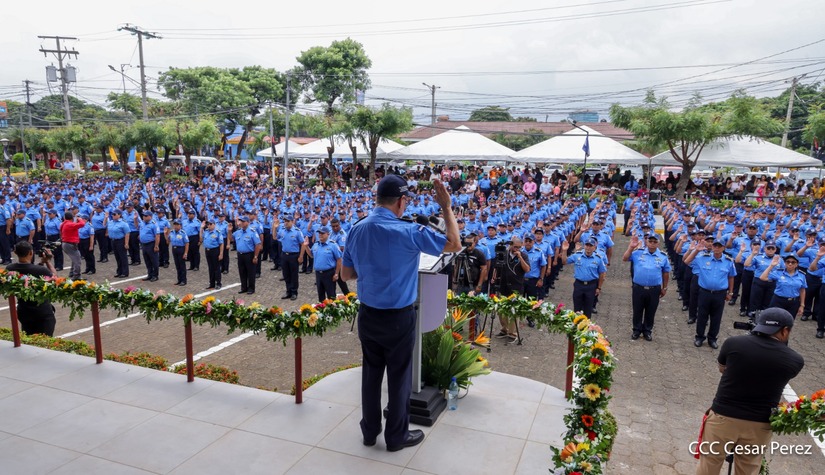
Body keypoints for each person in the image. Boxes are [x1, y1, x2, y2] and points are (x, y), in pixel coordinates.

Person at [341, 175, 460, 452]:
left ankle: (369, 433)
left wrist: (373, 269)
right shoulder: (408, 231)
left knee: (371, 375)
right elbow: (454, 244)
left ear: (377, 199)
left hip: (368, 315)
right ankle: (396, 437)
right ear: (401, 202)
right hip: (398, 318)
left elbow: (346, 274)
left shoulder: (356, 229)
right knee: (399, 377)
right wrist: (446, 206)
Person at [694, 308, 804, 475]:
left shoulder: (733, 343)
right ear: (785, 330)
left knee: (708, 466)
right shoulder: (795, 360)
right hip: (759, 425)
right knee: (748, 469)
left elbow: (723, 368)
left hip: (723, 418)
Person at [683, 238, 736, 349]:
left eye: (719, 246)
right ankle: (699, 337)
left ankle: (712, 338)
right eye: (714, 246)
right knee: (702, 316)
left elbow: (731, 277)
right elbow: (686, 261)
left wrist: (730, 292)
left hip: (720, 294)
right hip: (704, 293)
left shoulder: (728, 261)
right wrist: (696, 250)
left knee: (716, 317)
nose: (716, 248)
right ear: (711, 247)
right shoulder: (702, 258)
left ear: (723, 248)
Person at [623, 233, 671, 341]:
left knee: (651, 311)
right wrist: (630, 247)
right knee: (637, 310)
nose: (652, 244)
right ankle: (636, 330)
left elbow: (666, 273)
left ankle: (647, 331)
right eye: (650, 241)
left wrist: (665, 287)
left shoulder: (662, 256)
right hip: (638, 288)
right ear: (646, 242)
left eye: (655, 242)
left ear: (658, 243)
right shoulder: (637, 253)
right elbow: (625, 258)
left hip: (654, 289)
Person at [6, 241, 57, 336]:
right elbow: (54, 278)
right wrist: (48, 262)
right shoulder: (41, 270)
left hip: (24, 311)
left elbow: (30, 269)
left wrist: (42, 262)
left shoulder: (9, 268)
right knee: (45, 342)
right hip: (42, 312)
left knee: (29, 340)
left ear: (15, 252)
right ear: (31, 252)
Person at [491, 236, 529, 340]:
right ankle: (504, 329)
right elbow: (496, 266)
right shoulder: (504, 255)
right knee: (501, 309)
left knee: (514, 310)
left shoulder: (524, 255)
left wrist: (520, 257)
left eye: (519, 247)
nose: (517, 249)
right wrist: (494, 276)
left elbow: (527, 269)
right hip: (502, 285)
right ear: (510, 245)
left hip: (516, 286)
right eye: (515, 247)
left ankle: (513, 333)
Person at [562, 237, 606, 319]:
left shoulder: (598, 258)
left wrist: (599, 287)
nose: (588, 248)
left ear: (594, 247)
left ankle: (585, 328)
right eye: (587, 245)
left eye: (591, 246)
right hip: (579, 285)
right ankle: (576, 327)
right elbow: (564, 262)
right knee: (577, 309)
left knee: (588, 309)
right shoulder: (577, 255)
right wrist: (564, 250)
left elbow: (602, 273)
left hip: (591, 286)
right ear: (584, 246)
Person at [304, 226, 342, 302]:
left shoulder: (333, 245)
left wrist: (336, 273)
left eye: (322, 233)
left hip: (329, 273)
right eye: (319, 233)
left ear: (328, 234)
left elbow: (339, 260)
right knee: (321, 296)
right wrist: (306, 246)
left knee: (331, 296)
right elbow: (311, 255)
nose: (320, 235)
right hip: (318, 274)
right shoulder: (316, 244)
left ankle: (333, 312)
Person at [231, 216, 261, 295]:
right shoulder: (238, 232)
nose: (241, 223)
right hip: (240, 255)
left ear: (247, 222)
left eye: (243, 221)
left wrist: (255, 256)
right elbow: (231, 238)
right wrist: (229, 231)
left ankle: (251, 288)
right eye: (240, 221)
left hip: (249, 254)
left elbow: (257, 244)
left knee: (250, 272)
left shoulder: (252, 232)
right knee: (242, 271)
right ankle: (244, 287)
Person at [451, 232, 487, 296]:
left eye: (470, 244)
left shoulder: (479, 254)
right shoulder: (460, 253)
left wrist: (479, 285)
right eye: (466, 243)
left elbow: (484, 269)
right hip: (461, 284)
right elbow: (456, 267)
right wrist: (454, 282)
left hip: (473, 284)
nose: (468, 246)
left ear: (474, 243)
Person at [278, 215, 304, 300]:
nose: (286, 223)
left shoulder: (297, 231)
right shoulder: (282, 231)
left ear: (292, 222)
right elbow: (275, 237)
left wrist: (301, 256)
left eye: (287, 221)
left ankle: (294, 292)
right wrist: (274, 228)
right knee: (286, 274)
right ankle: (288, 291)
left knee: (294, 275)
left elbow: (303, 244)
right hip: (284, 255)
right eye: (285, 221)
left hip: (294, 255)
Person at [59, 211, 85, 280]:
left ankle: (72, 273)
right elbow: (82, 224)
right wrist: (79, 219)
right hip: (70, 244)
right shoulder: (69, 224)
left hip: (66, 243)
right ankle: (76, 275)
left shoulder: (63, 224)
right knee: (77, 260)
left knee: (74, 259)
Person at [107, 209, 131, 278]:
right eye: (112, 214)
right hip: (113, 241)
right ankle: (119, 271)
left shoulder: (123, 223)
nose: (113, 216)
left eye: (115, 214)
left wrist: (126, 243)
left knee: (123, 257)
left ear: (119, 215)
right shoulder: (111, 222)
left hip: (121, 240)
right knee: (117, 257)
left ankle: (125, 272)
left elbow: (127, 233)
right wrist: (106, 217)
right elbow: (104, 225)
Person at [138, 211, 160, 282]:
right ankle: (150, 274)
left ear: (150, 216)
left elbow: (157, 235)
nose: (144, 217)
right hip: (144, 244)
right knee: (147, 260)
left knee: (154, 261)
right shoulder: (142, 223)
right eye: (143, 215)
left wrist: (156, 245)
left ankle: (155, 275)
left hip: (151, 244)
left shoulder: (154, 224)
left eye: (146, 216)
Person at [202, 220, 224, 290]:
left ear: (214, 224)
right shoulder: (206, 232)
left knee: (216, 268)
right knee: (210, 267)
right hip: (208, 251)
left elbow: (221, 244)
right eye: (208, 224)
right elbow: (200, 238)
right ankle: (212, 283)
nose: (209, 225)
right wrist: (201, 228)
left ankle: (218, 283)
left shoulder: (217, 232)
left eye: (210, 224)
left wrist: (221, 254)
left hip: (215, 250)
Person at [168, 219, 189, 286]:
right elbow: (168, 241)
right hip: (174, 249)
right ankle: (179, 280)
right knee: (177, 265)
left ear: (180, 225)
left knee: (182, 265)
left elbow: (187, 243)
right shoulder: (171, 232)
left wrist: (185, 253)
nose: (176, 226)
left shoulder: (183, 233)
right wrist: (166, 234)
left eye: (177, 225)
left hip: (181, 249)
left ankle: (183, 280)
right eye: (175, 225)